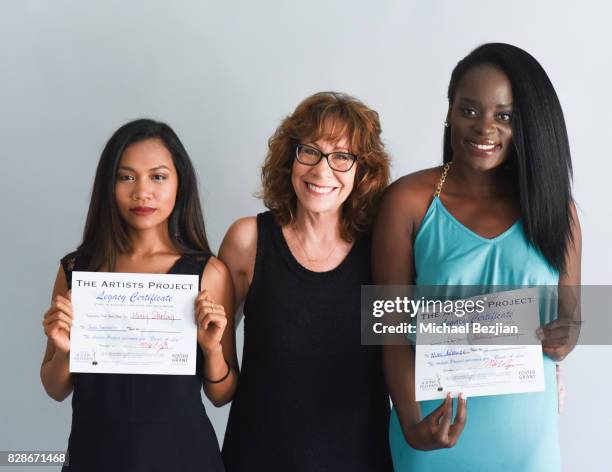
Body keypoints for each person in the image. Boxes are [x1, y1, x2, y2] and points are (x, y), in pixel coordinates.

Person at [373, 43, 581, 471]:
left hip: (526, 441)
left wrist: (570, 333)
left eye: (504, 116)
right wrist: (412, 424)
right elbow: (388, 326)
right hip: (433, 432)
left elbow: (571, 311)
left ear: (526, 124)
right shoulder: (409, 201)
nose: (484, 128)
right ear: (449, 111)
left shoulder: (556, 209)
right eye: (469, 110)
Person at [40, 119, 238, 472]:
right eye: (126, 176)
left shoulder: (210, 272)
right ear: (109, 184)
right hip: (95, 456)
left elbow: (222, 395)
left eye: (158, 177)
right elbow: (55, 389)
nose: (142, 192)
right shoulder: (78, 269)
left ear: (180, 183)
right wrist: (64, 350)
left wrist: (211, 350)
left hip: (184, 458)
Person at [219, 92, 394, 471]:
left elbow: (420, 345)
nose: (321, 170)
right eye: (309, 151)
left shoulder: (382, 250)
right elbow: (217, 383)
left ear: (363, 171)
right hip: (256, 460)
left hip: (361, 461)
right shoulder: (247, 241)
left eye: (342, 156)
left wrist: (536, 341)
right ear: (290, 157)